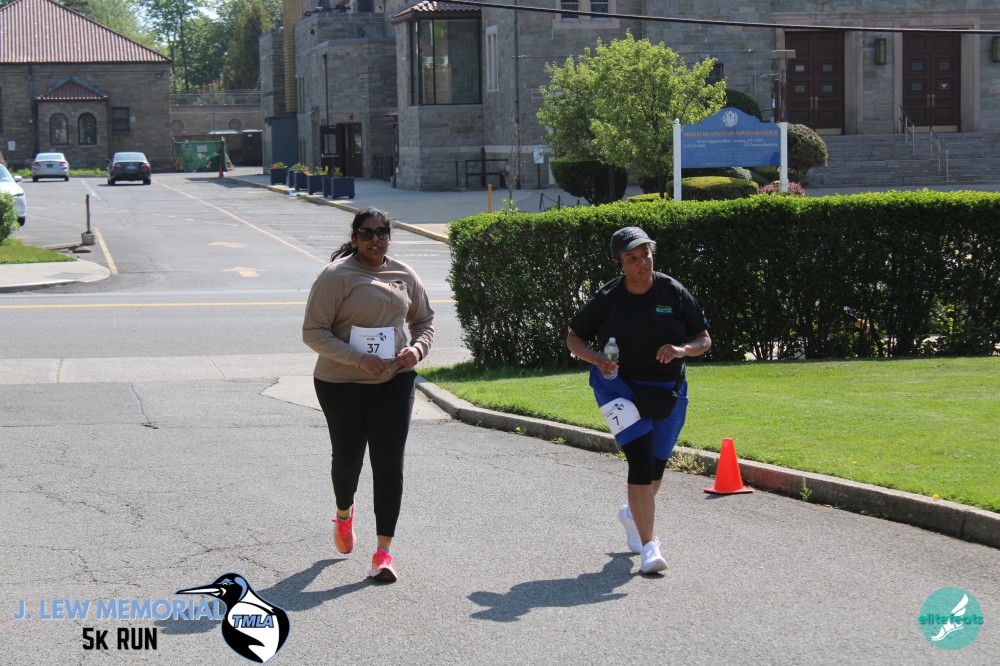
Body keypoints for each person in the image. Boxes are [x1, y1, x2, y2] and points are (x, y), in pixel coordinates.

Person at [566, 227, 711, 575]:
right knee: (641, 461)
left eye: (645, 254)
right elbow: (574, 338)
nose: (642, 262)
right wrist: (596, 358)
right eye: (632, 258)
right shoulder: (608, 298)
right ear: (620, 264)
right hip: (618, 389)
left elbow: (703, 338)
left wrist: (682, 349)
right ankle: (649, 546)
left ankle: (632, 514)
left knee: (657, 467)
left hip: (667, 390)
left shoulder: (672, 291)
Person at [303, 208, 434, 583]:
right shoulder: (336, 277)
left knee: (389, 463)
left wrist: (417, 350)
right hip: (340, 384)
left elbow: (424, 321)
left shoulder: (404, 274)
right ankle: (344, 513)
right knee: (348, 459)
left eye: (382, 232)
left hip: (394, 380)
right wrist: (358, 359)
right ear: (355, 237)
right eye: (367, 233)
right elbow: (313, 332)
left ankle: (383, 553)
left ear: (389, 235)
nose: (376, 239)